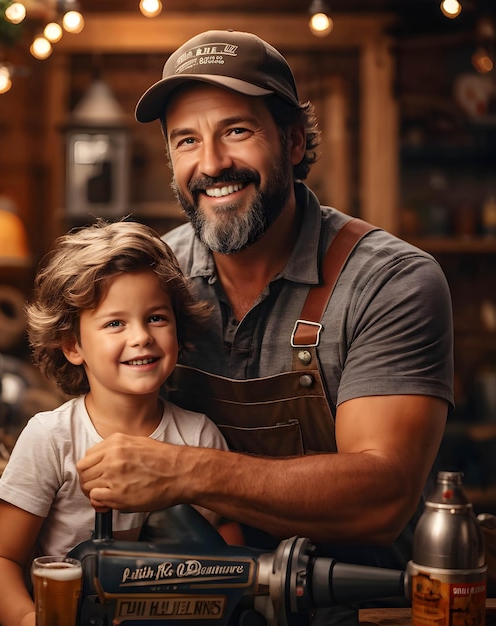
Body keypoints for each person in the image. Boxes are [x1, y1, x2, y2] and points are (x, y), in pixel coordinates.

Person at [76, 29, 455, 621]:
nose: (211, 164)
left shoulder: (392, 281)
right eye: (186, 141)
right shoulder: (155, 280)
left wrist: (182, 472)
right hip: (192, 608)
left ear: (295, 141)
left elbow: (382, 497)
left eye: (237, 131)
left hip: (358, 608)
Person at [0, 220, 229, 626]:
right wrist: (28, 619)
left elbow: (228, 563)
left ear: (179, 331)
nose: (141, 337)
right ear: (73, 345)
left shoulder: (199, 436)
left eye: (157, 318)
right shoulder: (51, 438)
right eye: (115, 323)